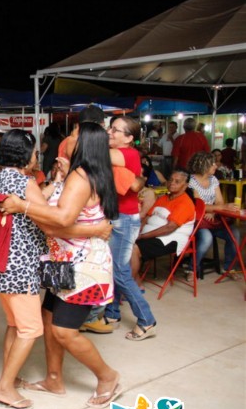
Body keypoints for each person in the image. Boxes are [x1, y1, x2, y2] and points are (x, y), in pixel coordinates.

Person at [0, 122, 122, 408]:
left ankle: (108, 377)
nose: (69, 137)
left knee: (64, 331)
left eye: (75, 134)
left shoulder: (81, 176)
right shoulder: (81, 174)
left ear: (85, 144)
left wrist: (23, 206)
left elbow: (61, 221)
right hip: (63, 263)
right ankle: (54, 378)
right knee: (48, 320)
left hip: (83, 267)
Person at [0, 130, 47, 409]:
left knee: (14, 324)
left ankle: (11, 377)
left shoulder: (0, 178)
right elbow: (48, 218)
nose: (36, 157)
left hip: (1, 265)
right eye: (34, 153)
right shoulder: (24, 181)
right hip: (20, 267)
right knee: (32, 329)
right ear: (25, 155)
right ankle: (4, 388)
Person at [100, 116, 158, 339]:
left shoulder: (127, 154)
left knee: (121, 271)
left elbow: (100, 152)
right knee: (113, 267)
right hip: (117, 216)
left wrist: (85, 136)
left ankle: (147, 320)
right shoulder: (121, 153)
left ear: (129, 138)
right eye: (110, 128)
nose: (110, 133)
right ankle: (113, 313)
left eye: (116, 130)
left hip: (125, 219)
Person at [132, 169, 196, 336]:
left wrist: (142, 236)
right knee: (126, 243)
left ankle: (134, 284)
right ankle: (133, 280)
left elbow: (170, 228)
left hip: (169, 240)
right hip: (151, 234)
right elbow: (148, 216)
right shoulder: (163, 198)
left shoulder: (185, 202)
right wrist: (138, 230)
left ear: (185, 185)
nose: (172, 183)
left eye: (177, 181)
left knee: (132, 249)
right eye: (171, 180)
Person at [187, 151, 241, 279]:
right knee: (206, 239)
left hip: (213, 219)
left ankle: (229, 268)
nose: (216, 166)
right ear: (203, 165)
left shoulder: (214, 179)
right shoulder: (191, 181)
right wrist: (215, 208)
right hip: (199, 220)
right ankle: (192, 269)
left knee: (235, 234)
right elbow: (199, 206)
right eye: (212, 164)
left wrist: (212, 210)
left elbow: (220, 201)